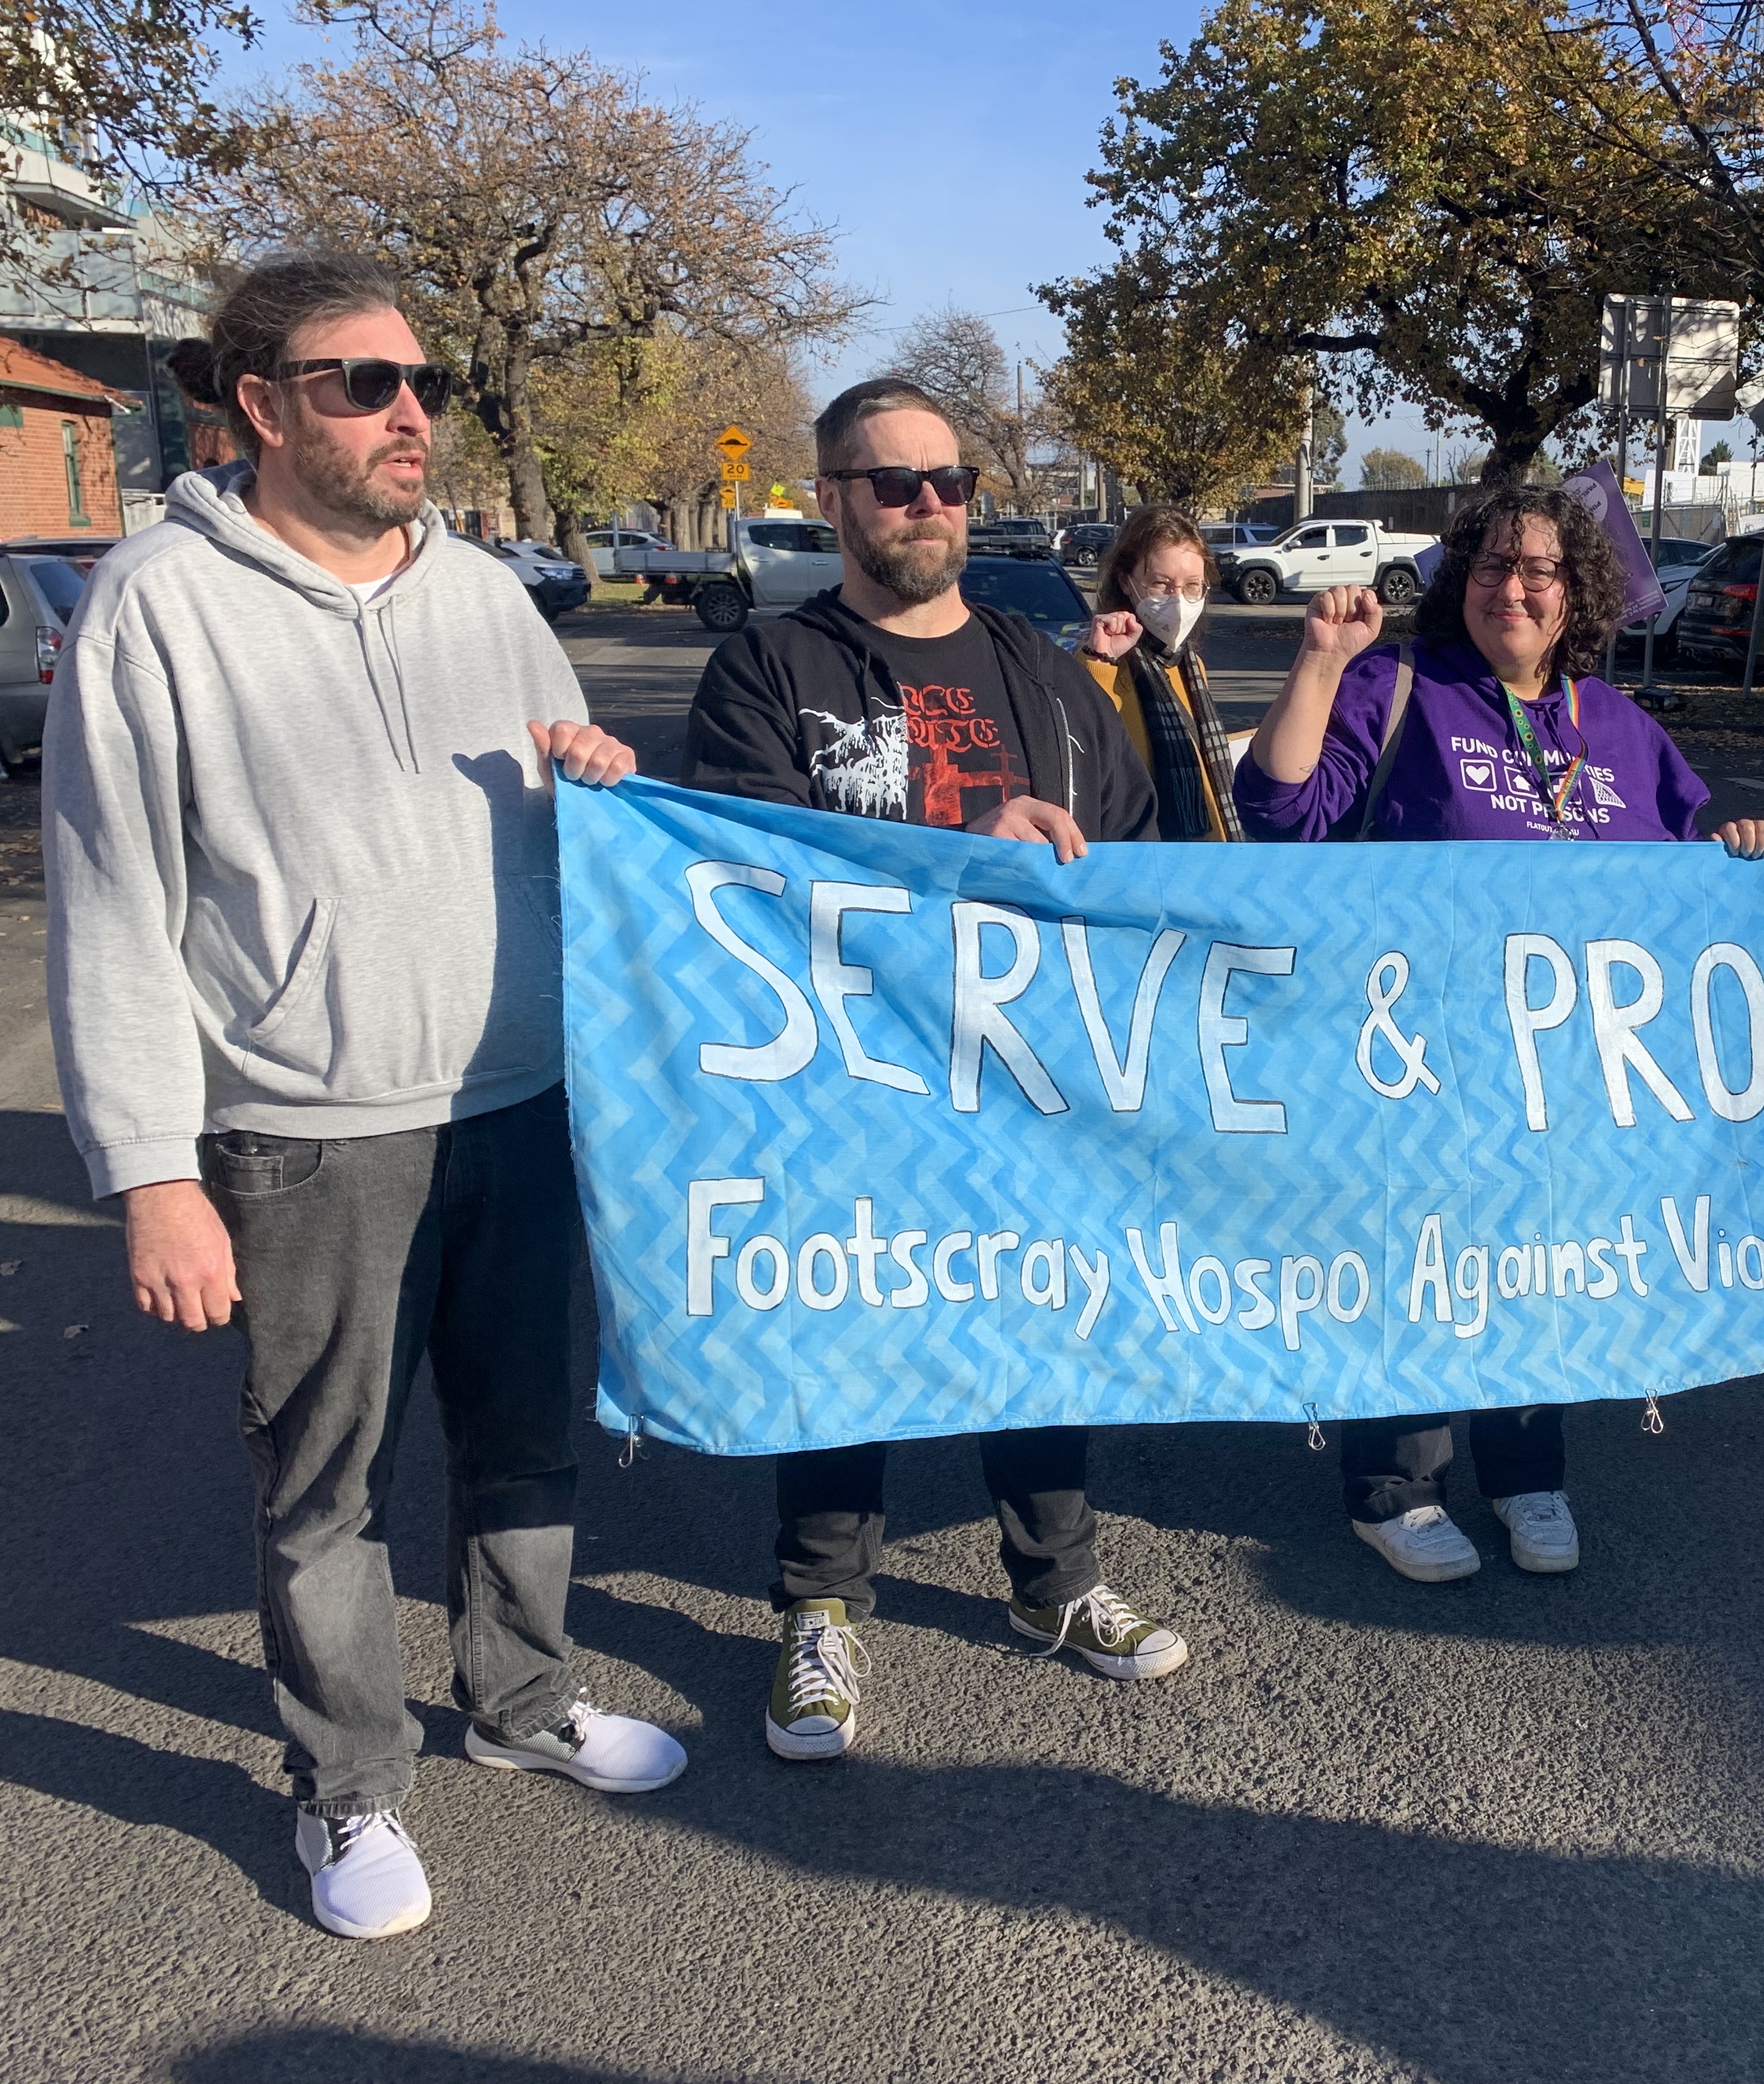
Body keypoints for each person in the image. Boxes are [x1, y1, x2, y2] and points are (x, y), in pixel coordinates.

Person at [41, 255, 685, 1943]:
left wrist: (595, 792)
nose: (413, 413)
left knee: (530, 1434)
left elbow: (551, 838)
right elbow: (113, 902)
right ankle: (347, 1785)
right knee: (326, 1483)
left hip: (523, 1099)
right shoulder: (159, 604)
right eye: (365, 383)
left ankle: (523, 1699)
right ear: (258, 404)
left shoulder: (484, 595)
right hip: (307, 1131)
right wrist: (150, 1172)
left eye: (430, 385)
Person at [679, 378, 1185, 1757]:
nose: (925, 506)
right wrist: (968, 843)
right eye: (891, 482)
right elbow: (750, 860)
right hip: (853, 1084)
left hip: (1027, 1083)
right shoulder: (771, 670)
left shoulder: (1042, 670)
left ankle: (1056, 1582)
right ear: (832, 497)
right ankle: (819, 1610)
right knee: (851, 1332)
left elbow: (1132, 848)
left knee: (1036, 1325)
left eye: (948, 482)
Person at [1231, 484, 1764, 1583]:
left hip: (1565, 1066)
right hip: (1419, 1059)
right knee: (1418, 1259)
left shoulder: (1615, 725)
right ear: (1459, 585)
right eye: (1490, 566)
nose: (1514, 587)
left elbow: (1688, 864)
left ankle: (1528, 1469)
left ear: (1576, 592)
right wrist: (1324, 660)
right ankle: (1396, 1485)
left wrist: (1744, 840)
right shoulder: (1396, 689)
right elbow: (1280, 809)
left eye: (1540, 569)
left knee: (1537, 1259)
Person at [1074, 503, 1245, 841]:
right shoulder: (1102, 660)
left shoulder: (1190, 665)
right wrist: (1100, 658)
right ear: (1127, 582)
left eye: (1193, 585)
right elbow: (1081, 749)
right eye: (1160, 584)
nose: (1178, 601)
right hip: (1141, 856)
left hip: (1205, 858)